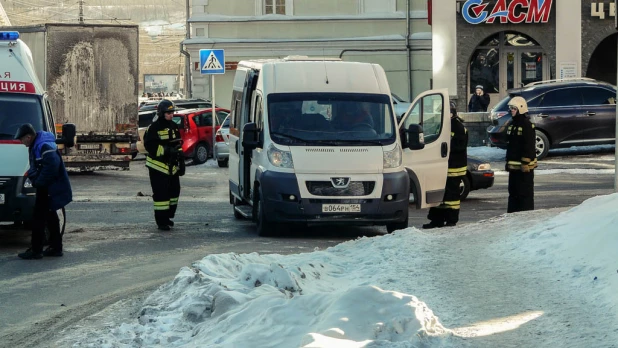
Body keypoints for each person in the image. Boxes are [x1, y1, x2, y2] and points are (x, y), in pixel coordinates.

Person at [14, 124, 72, 259]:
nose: (22, 143)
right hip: (48, 186)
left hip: (47, 187)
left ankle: (36, 250)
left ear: (28, 137)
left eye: (22, 140)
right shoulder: (39, 144)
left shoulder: (43, 145)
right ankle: (55, 248)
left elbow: (52, 166)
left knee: (38, 218)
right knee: (50, 216)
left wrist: (39, 182)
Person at [423, 102, 468, 229]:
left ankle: (451, 220)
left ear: (451, 113)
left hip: (454, 167)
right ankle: (436, 220)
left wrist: (443, 148)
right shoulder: (444, 127)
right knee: (439, 195)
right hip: (443, 166)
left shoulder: (458, 127)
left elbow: (459, 147)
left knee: (451, 196)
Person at [144, 99, 185, 231]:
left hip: (171, 166)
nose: (171, 115)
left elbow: (178, 144)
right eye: (168, 112)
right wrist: (166, 150)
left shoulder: (173, 125)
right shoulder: (154, 127)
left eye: (172, 112)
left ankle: (168, 217)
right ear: (162, 113)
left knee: (174, 192)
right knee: (161, 195)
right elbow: (149, 145)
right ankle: (161, 222)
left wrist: (181, 161)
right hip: (157, 166)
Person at [505, 96, 536, 213]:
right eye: (511, 108)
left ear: (521, 109)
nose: (511, 110)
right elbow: (510, 144)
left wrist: (525, 163)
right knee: (513, 192)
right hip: (514, 168)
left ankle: (525, 215)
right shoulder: (512, 124)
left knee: (524, 194)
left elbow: (529, 145)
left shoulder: (527, 125)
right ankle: (512, 214)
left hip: (524, 169)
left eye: (514, 108)